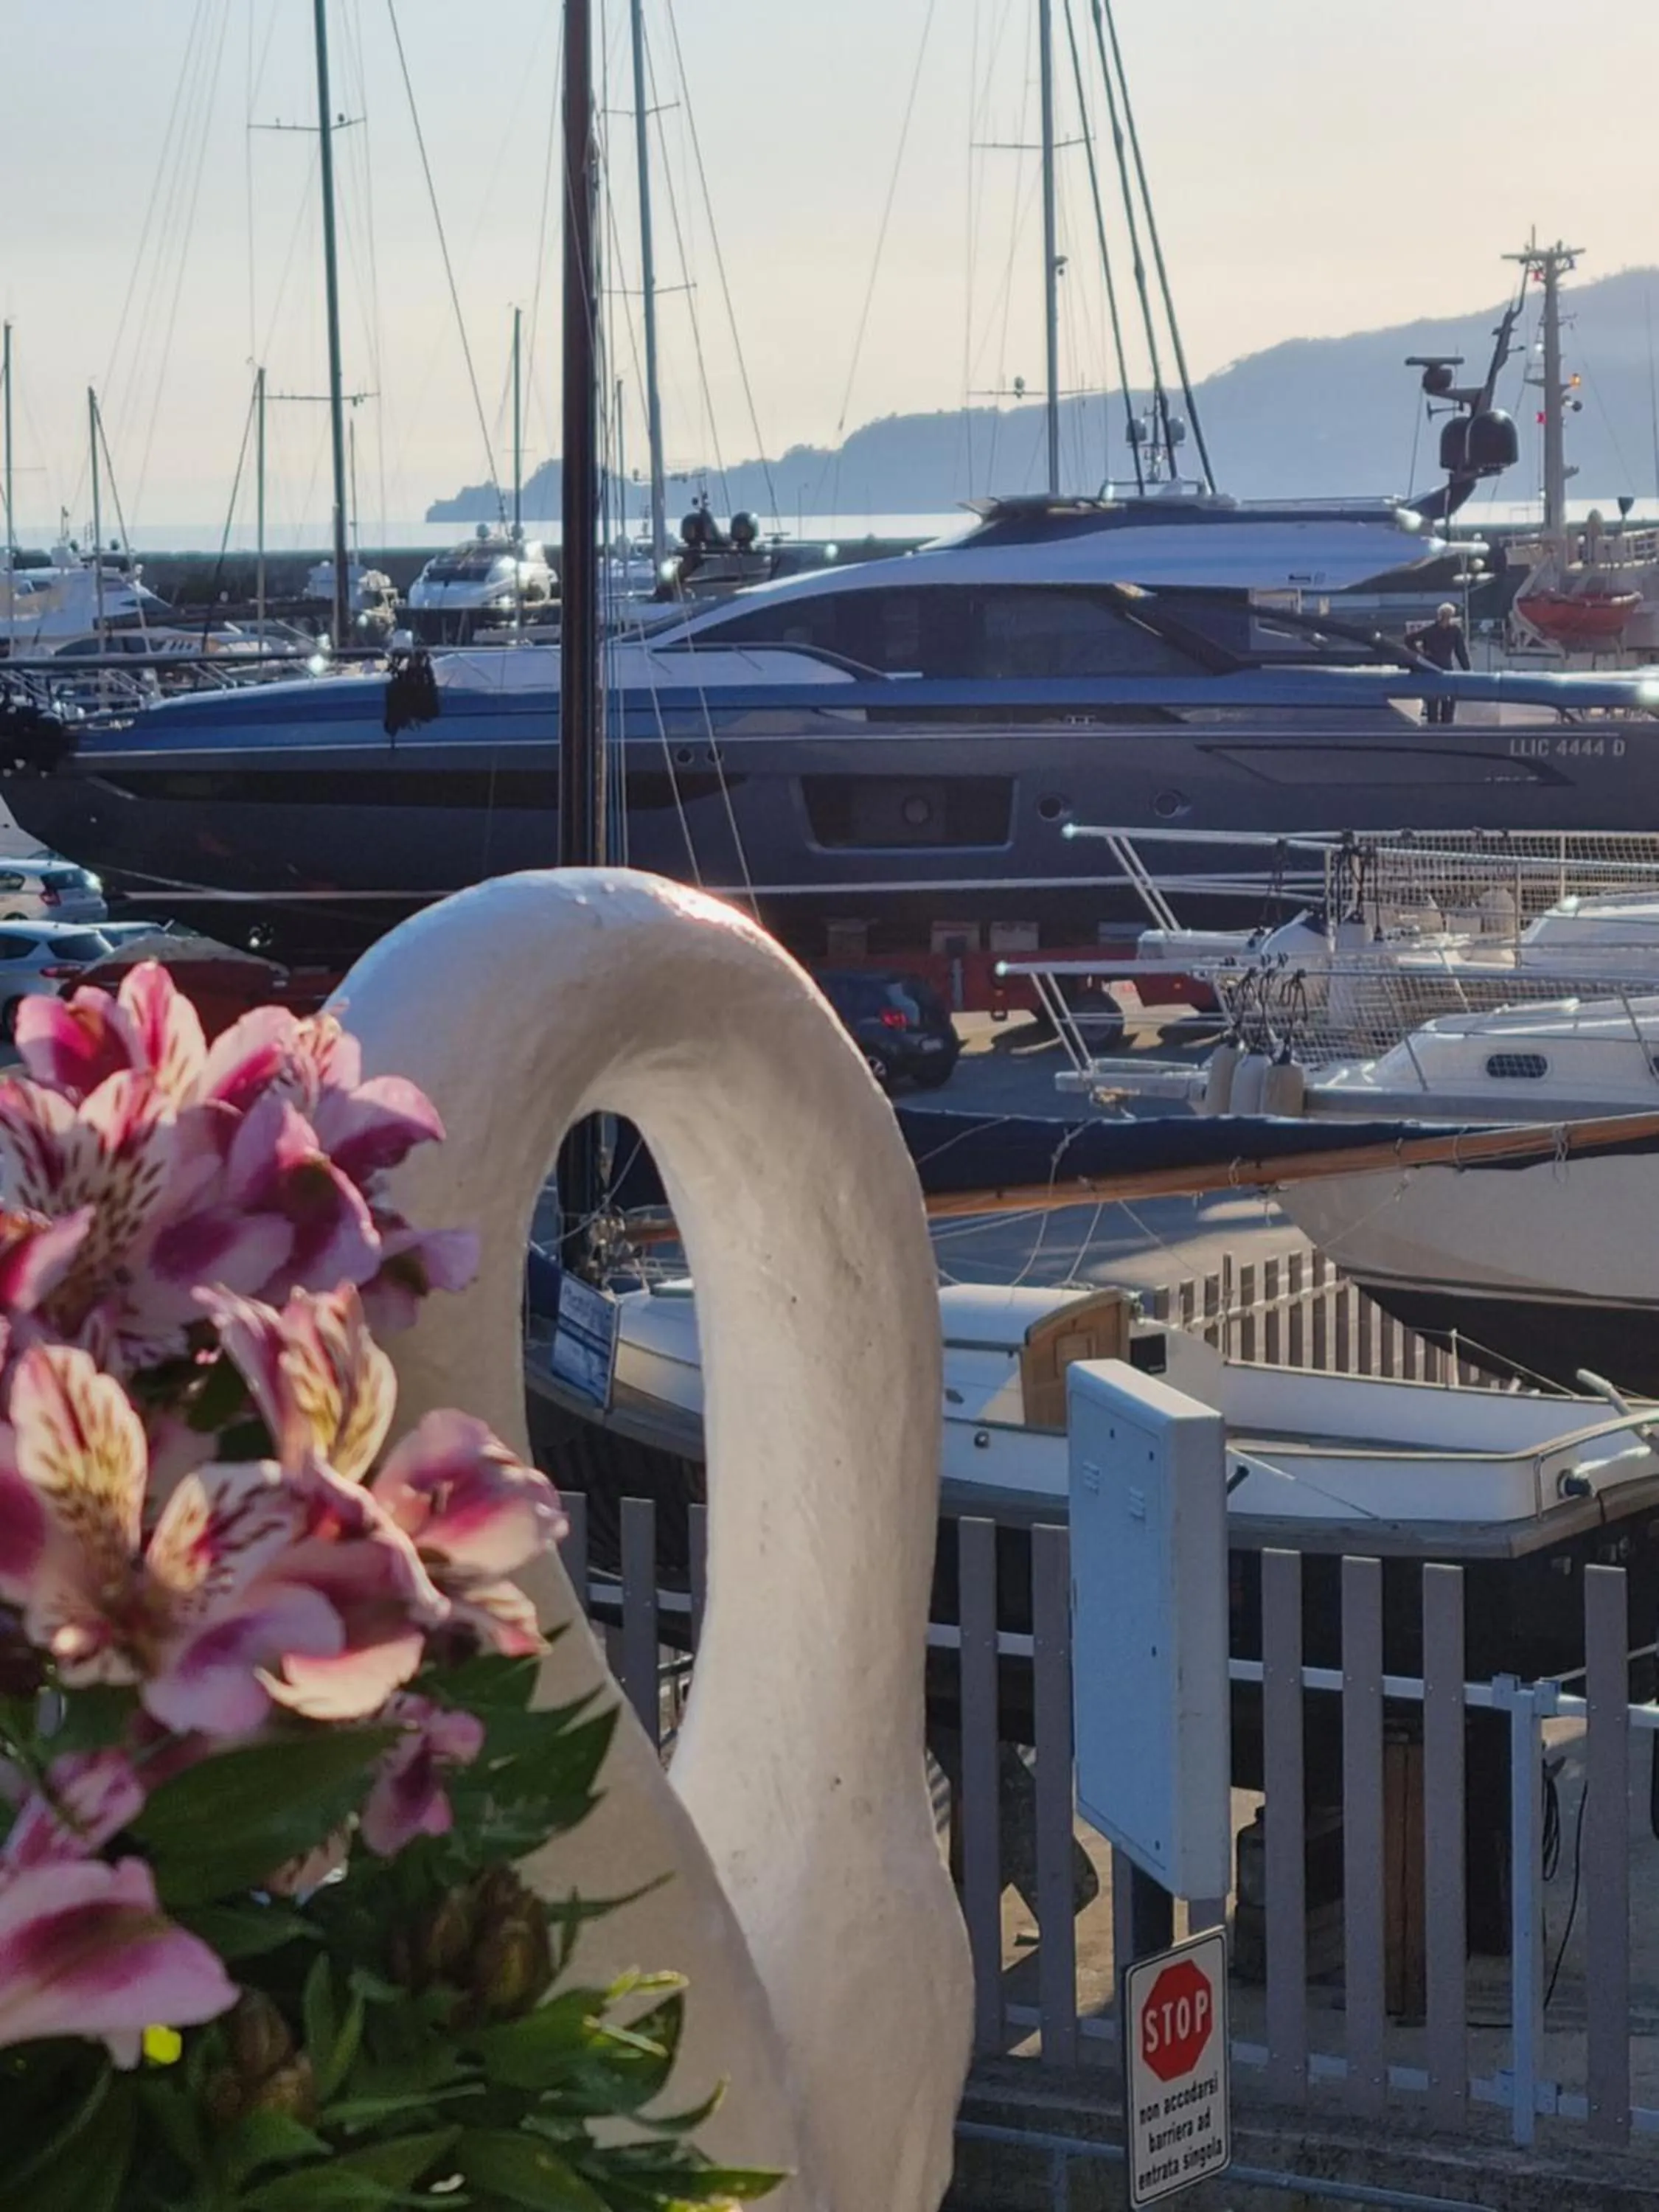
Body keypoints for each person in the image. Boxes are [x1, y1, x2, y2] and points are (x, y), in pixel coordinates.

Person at [1405, 602, 1470, 723]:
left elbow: (1409, 640)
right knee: (1444, 700)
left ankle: (1436, 725)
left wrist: (1421, 654)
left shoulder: (1432, 630)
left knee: (1436, 701)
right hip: (1443, 668)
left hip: (1433, 667)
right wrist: (1467, 670)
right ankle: (1443, 725)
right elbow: (1460, 652)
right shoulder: (1453, 631)